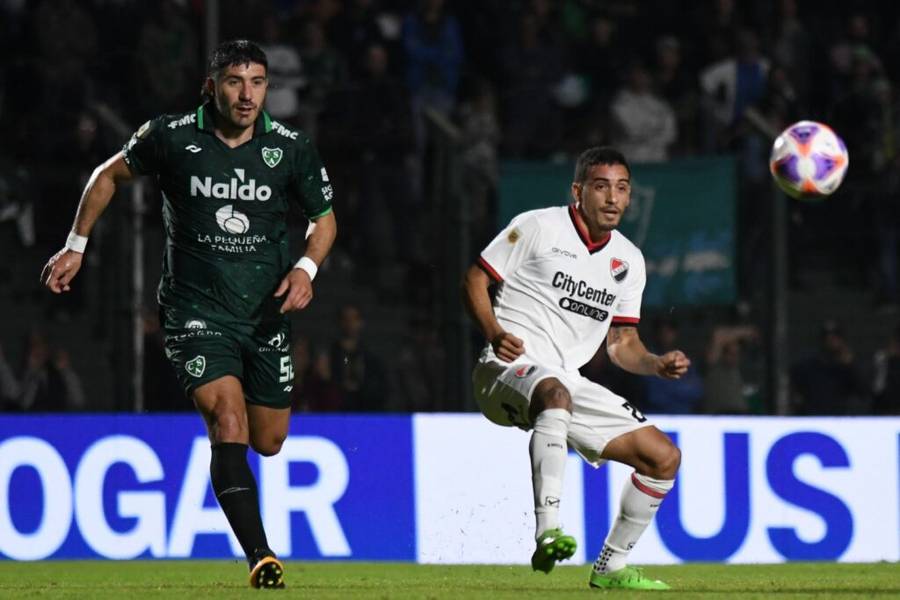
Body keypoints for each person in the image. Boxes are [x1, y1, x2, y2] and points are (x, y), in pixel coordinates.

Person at [39, 40, 337, 589]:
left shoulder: (291, 148)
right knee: (228, 421)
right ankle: (261, 556)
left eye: (257, 82)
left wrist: (306, 269)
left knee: (268, 441)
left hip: (264, 315)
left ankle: (241, 493)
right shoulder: (172, 136)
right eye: (234, 82)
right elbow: (106, 176)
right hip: (193, 311)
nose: (246, 95)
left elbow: (324, 220)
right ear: (212, 86)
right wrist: (77, 244)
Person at [463, 147, 688, 590]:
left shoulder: (629, 260)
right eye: (602, 186)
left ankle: (612, 566)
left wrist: (656, 363)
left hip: (565, 379)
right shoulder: (537, 226)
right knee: (554, 393)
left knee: (663, 457)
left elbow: (623, 346)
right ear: (578, 191)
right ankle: (548, 531)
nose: (613, 198)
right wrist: (492, 332)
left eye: (622, 188)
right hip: (505, 367)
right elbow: (475, 277)